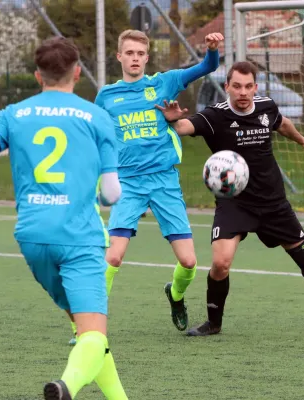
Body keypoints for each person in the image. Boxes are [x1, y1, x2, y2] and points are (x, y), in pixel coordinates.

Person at [0, 37, 128, 400]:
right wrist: (100, 193)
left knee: (89, 334)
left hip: (32, 237)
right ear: (78, 72)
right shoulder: (98, 117)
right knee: (94, 334)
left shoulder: (14, 114)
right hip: (79, 236)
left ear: (38, 76)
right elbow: (113, 194)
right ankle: (66, 387)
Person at [155, 61, 304, 336]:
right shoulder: (215, 116)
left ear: (255, 87)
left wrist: (302, 141)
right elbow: (184, 127)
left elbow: (282, 123)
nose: (242, 92)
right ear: (227, 86)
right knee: (221, 263)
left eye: (248, 86)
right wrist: (171, 119)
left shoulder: (266, 107)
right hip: (234, 202)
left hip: (273, 202)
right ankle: (213, 323)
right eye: (236, 86)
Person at [88, 30, 224, 339]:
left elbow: (206, 67)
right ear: (119, 56)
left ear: (147, 58)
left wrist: (213, 50)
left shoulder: (163, 82)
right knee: (113, 256)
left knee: (189, 262)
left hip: (164, 180)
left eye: (140, 53)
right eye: (129, 53)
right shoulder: (106, 96)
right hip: (128, 183)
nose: (135, 58)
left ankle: (175, 295)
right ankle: (90, 323)